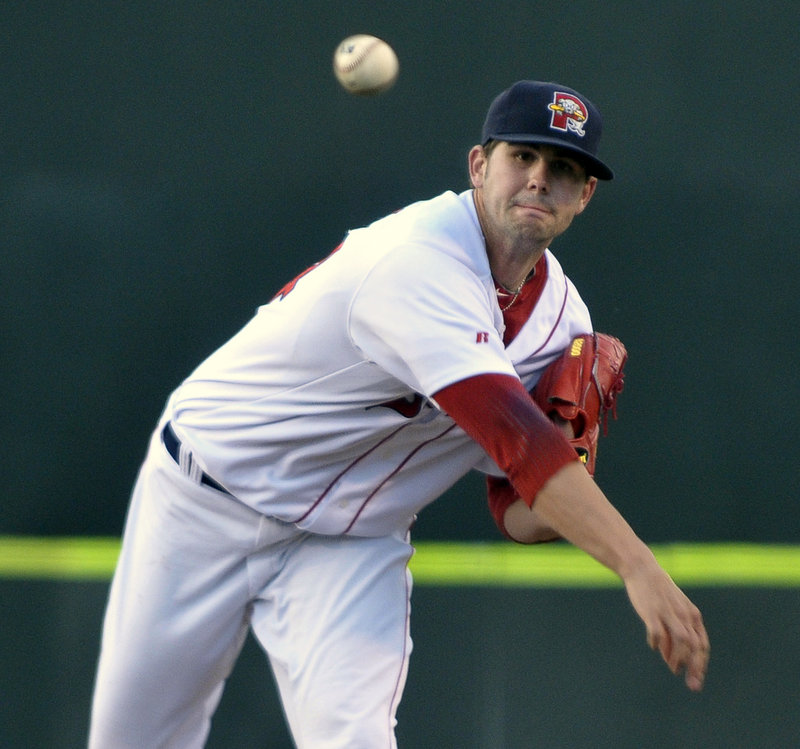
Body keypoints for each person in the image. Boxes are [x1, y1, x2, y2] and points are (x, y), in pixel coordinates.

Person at [88, 80, 709, 748]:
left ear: (584, 195)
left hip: (348, 541)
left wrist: (573, 451)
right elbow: (517, 441)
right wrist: (636, 564)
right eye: (521, 157)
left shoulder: (563, 324)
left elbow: (518, 508)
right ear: (479, 165)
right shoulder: (417, 257)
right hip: (204, 500)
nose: (538, 179)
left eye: (562, 168)